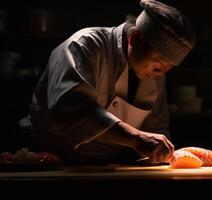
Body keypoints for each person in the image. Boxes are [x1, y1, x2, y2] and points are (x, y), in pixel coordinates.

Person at [19, 0, 196, 164]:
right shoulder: (84, 45)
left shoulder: (157, 74)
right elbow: (72, 106)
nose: (162, 72)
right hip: (50, 159)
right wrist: (135, 137)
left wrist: (160, 151)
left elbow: (157, 127)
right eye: (159, 63)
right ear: (135, 39)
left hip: (108, 162)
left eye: (169, 67)